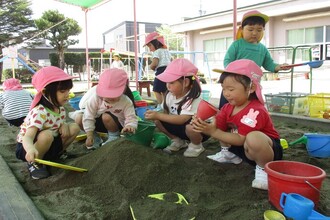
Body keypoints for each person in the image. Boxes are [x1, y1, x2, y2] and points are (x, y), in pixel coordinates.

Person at [191, 59, 283, 190]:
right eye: (223, 89)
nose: (226, 93)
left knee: (253, 137)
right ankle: (229, 154)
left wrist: (214, 132)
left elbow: (241, 139)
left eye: (231, 89)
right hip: (243, 149)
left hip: (266, 151)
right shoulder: (228, 107)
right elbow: (218, 128)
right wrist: (203, 123)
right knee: (222, 127)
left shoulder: (256, 110)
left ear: (251, 88)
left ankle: (264, 170)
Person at [15, 66, 81, 180]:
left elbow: (58, 122)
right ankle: (35, 164)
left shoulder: (60, 108)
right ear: (45, 92)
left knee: (74, 127)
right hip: (28, 148)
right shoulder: (40, 111)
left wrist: (64, 124)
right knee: (47, 135)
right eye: (62, 91)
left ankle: (57, 154)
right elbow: (28, 137)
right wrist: (30, 150)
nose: (67, 94)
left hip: (48, 142)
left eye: (68, 90)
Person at [219, 10, 291, 109]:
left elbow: (269, 64)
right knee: (227, 106)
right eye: (250, 29)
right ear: (242, 29)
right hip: (235, 84)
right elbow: (227, 62)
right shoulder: (237, 45)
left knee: (251, 108)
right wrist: (234, 75)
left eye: (259, 30)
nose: (254, 33)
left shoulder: (262, 49)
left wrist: (279, 66)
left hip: (252, 86)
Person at [144, 58, 209, 157]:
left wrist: (158, 115)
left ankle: (196, 146)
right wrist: (154, 113)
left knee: (191, 127)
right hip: (181, 129)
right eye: (167, 82)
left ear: (186, 83)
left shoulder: (193, 98)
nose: (168, 86)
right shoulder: (170, 95)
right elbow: (165, 111)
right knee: (158, 120)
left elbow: (182, 119)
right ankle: (178, 141)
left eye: (171, 83)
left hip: (200, 131)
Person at [71, 68, 138, 150]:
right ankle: (95, 139)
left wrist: (129, 126)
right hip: (99, 123)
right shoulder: (95, 98)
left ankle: (114, 137)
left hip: (118, 126)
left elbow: (131, 116)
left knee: (106, 116)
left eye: (113, 95)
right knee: (79, 118)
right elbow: (88, 116)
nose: (109, 98)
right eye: (106, 95)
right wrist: (89, 135)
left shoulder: (126, 101)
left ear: (123, 89)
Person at [144, 32, 172, 110]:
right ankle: (166, 105)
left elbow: (155, 63)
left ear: (156, 43)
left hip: (161, 71)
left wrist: (151, 67)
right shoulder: (167, 51)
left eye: (150, 45)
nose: (149, 48)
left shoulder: (157, 52)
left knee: (156, 89)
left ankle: (160, 106)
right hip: (169, 71)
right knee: (164, 90)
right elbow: (172, 60)